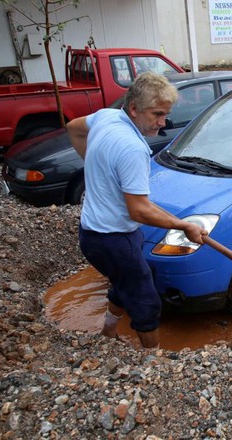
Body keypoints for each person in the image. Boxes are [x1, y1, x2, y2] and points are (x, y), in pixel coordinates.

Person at [67, 72, 208, 349]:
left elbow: (73, 127)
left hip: (91, 233)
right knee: (146, 300)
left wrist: (97, 167)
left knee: (131, 279)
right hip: (113, 239)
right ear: (134, 108)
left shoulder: (107, 117)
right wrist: (185, 226)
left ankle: (108, 332)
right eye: (156, 114)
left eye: (165, 114)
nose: (162, 122)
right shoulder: (133, 148)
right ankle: (151, 365)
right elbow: (139, 211)